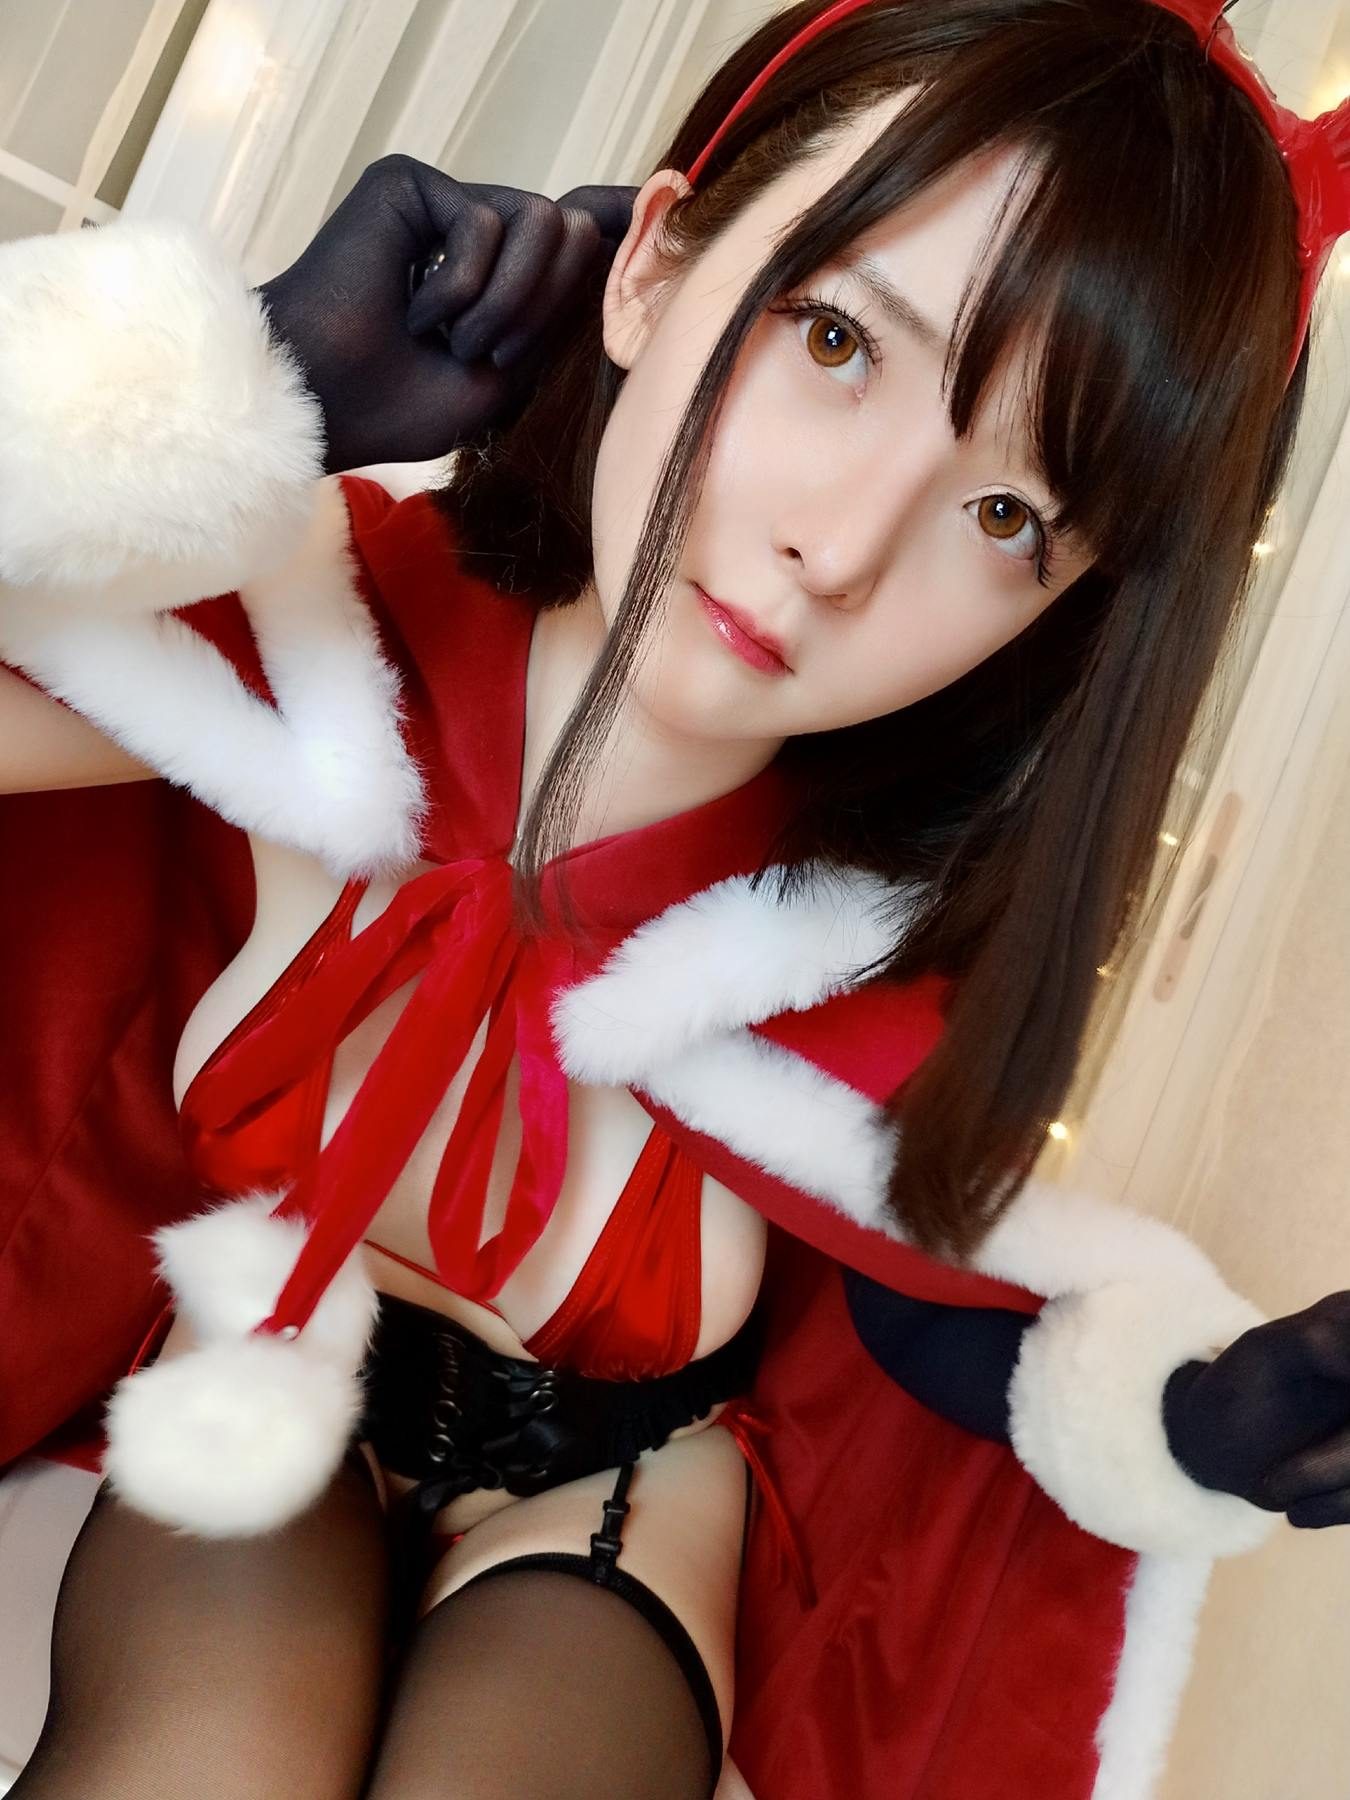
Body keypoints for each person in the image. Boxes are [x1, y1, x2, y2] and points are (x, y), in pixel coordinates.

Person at [2, 2, 1349, 1796]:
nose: (840, 550)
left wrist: (1185, 1418)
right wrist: (251, 388)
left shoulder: (842, 949)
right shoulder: (312, 652)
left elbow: (923, 1292)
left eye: (1009, 516)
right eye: (835, 339)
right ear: (648, 267)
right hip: (269, 1356)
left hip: (616, 1474)